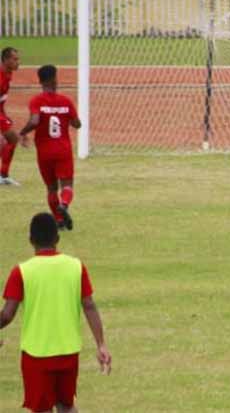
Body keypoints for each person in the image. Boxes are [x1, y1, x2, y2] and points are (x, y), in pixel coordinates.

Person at [1, 213, 111, 413]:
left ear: (30, 240)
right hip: (68, 353)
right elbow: (89, 306)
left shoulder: (22, 271)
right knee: (66, 405)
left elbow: (7, 315)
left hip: (37, 354)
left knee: (42, 408)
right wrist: (101, 344)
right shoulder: (76, 267)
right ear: (57, 239)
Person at [19, 65, 82, 230]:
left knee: (51, 188)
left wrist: (22, 132)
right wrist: (65, 116)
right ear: (55, 79)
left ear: (40, 81)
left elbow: (34, 121)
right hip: (63, 149)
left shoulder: (36, 101)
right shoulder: (66, 101)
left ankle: (58, 220)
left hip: (44, 151)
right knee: (67, 185)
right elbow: (77, 124)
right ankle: (65, 204)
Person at [0, 47, 21, 185]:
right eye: (15, 59)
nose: (18, 62)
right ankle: (3, 175)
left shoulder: (8, 74)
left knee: (11, 139)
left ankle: (3, 175)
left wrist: (5, 116)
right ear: (6, 60)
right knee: (11, 138)